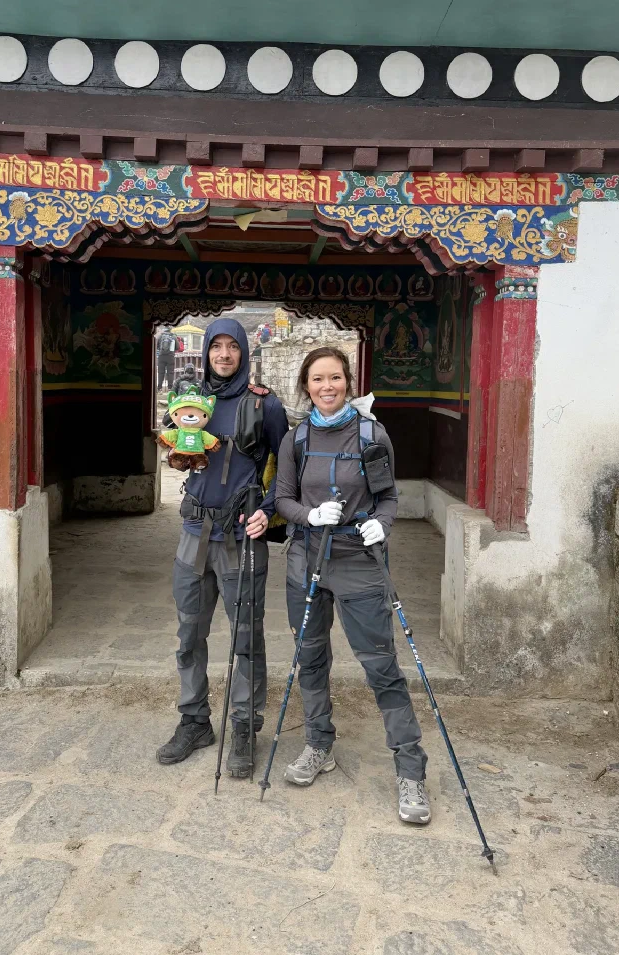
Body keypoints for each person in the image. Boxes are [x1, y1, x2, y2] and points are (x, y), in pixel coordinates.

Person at [274, 346, 430, 825]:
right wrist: (309, 516)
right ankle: (318, 744)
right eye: (318, 379)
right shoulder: (296, 438)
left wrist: (383, 523)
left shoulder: (370, 433)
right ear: (306, 385)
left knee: (381, 665)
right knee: (311, 657)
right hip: (306, 560)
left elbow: (388, 497)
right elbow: (282, 498)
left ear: (348, 381)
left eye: (336, 378)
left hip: (359, 563)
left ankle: (410, 769)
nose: (327, 387)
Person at [157, 318, 289, 775]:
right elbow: (174, 440)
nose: (225, 355)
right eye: (217, 346)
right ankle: (194, 721)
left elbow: (288, 466)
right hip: (194, 533)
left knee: (246, 638)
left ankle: (245, 728)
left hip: (240, 537)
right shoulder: (191, 399)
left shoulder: (265, 405)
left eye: (234, 346)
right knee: (189, 635)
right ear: (207, 352)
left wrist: (268, 509)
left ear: (245, 352)